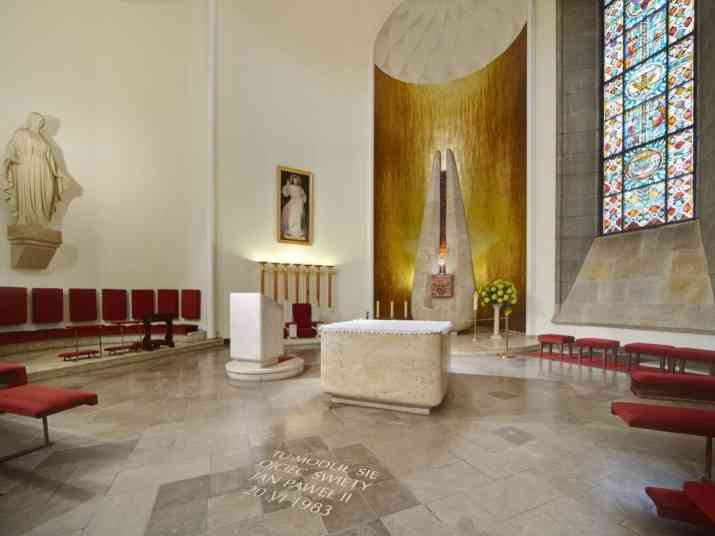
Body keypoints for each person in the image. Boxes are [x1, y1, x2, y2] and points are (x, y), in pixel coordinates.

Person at [3, 112, 64, 226]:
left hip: (45, 170)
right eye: (36, 120)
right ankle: (27, 220)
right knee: (28, 192)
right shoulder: (21, 133)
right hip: (27, 168)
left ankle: (43, 220)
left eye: (41, 122)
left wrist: (58, 173)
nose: (39, 123)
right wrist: (13, 158)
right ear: (30, 121)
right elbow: (11, 148)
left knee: (48, 193)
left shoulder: (43, 139)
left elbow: (50, 159)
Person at [282, 174, 307, 239]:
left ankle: (298, 231)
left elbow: (303, 195)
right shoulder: (290, 186)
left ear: (298, 180)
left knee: (298, 217)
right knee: (292, 216)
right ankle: (291, 231)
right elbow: (285, 194)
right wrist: (287, 185)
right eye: (294, 180)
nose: (295, 181)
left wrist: (303, 198)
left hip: (299, 202)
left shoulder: (300, 188)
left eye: (296, 180)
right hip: (293, 202)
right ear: (292, 180)